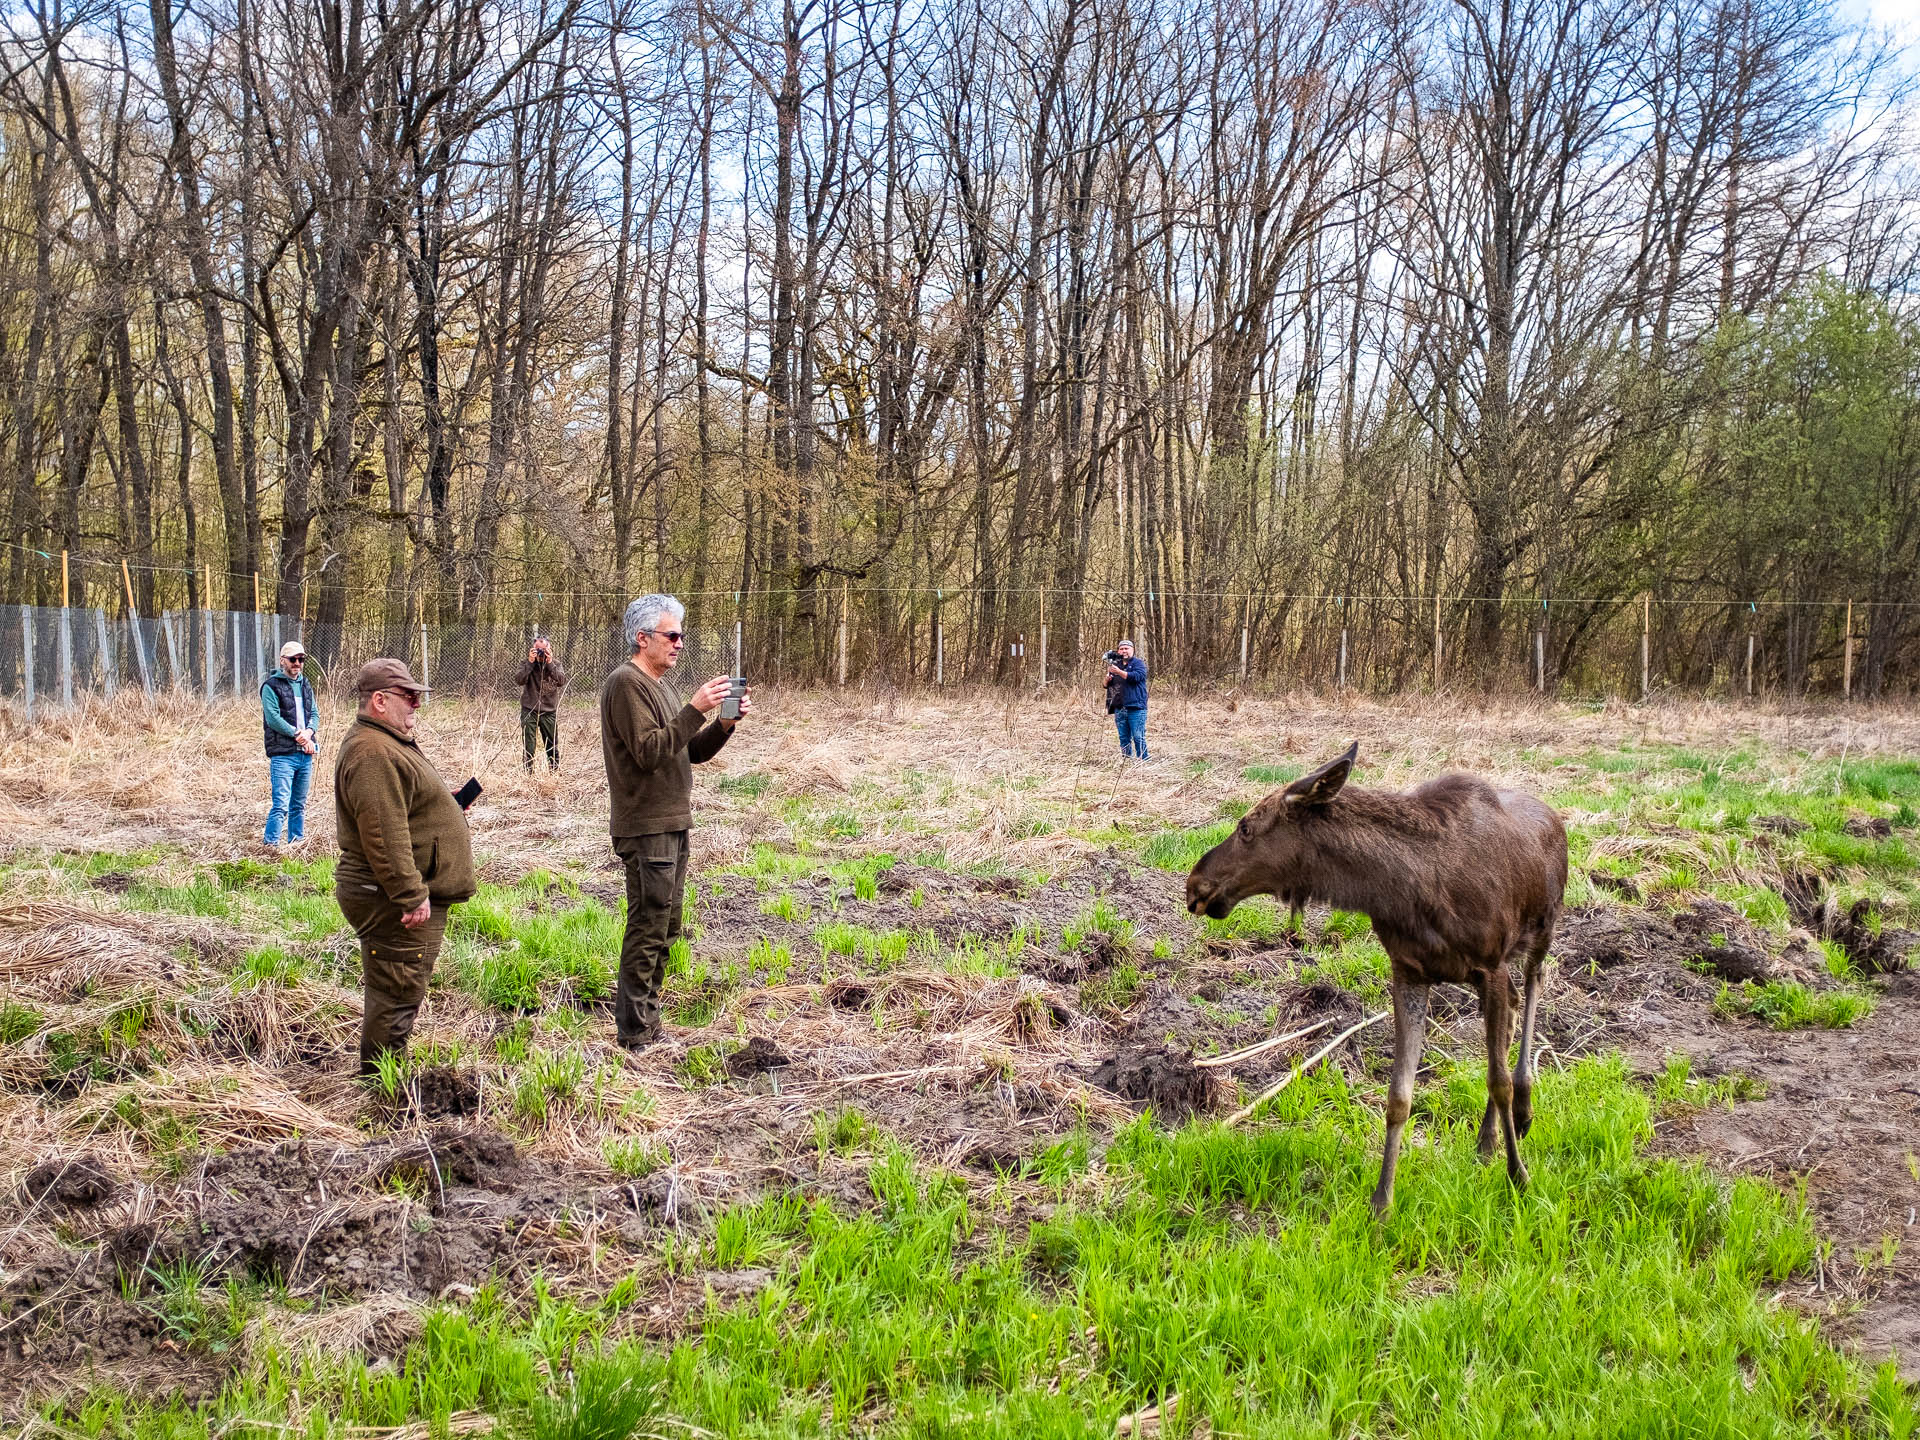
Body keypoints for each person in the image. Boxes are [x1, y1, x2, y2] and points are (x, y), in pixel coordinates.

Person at [600, 595, 751, 1050]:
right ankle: (635, 1035)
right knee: (648, 925)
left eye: (681, 635)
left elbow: (689, 751)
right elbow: (648, 752)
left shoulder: (659, 685)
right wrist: (696, 707)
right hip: (646, 826)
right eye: (672, 635)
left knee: (666, 926)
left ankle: (648, 1023)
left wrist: (723, 724)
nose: (680, 643)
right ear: (642, 639)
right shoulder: (626, 684)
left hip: (671, 823)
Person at [333, 658, 476, 1076]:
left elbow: (397, 806)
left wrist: (440, 803)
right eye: (408, 696)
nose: (417, 704)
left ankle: (386, 1073)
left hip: (399, 891)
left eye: (418, 696)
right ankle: (381, 1085)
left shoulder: (384, 742)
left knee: (402, 988)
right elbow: (382, 832)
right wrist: (410, 894)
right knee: (396, 991)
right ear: (379, 700)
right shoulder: (372, 750)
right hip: (389, 897)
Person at [262, 640, 319, 846]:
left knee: (298, 805)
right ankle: (270, 848)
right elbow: (273, 718)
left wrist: (310, 732)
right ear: (282, 661)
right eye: (293, 659)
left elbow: (314, 713)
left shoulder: (305, 684)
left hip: (305, 754)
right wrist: (298, 734)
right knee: (281, 805)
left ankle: (297, 846)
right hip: (283, 755)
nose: (297, 663)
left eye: (301, 659)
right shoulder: (270, 686)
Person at [515, 635, 568, 772]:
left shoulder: (555, 664)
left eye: (544, 650)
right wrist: (530, 663)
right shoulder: (526, 663)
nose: (541, 653)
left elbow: (561, 681)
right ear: (533, 649)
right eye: (538, 650)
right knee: (529, 745)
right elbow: (519, 680)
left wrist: (550, 663)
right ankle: (528, 773)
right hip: (529, 709)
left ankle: (554, 772)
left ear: (549, 649)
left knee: (552, 744)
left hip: (549, 711)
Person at [1105, 638, 1150, 760]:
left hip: (1136, 707)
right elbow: (1106, 686)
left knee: (1138, 736)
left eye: (1127, 648)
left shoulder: (1138, 663)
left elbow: (1137, 677)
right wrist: (1107, 680)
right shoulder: (1115, 665)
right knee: (1123, 737)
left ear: (1132, 650)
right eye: (1121, 649)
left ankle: (1143, 760)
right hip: (1119, 707)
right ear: (1118, 651)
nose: (1124, 651)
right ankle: (1126, 761)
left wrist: (1119, 672)